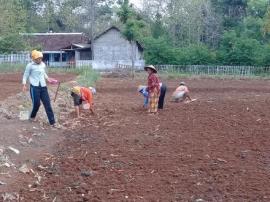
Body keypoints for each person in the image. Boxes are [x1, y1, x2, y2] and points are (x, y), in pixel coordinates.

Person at [22, 50, 57, 127]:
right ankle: (32, 116)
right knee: (37, 104)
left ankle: (52, 122)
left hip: (43, 87)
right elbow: (25, 75)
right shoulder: (30, 65)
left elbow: (43, 73)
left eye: (40, 58)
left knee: (47, 104)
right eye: (38, 58)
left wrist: (48, 79)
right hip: (34, 87)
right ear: (34, 58)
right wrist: (24, 84)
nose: (40, 60)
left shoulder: (43, 64)